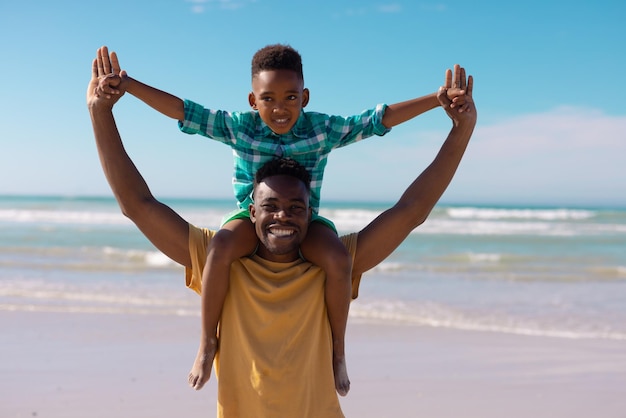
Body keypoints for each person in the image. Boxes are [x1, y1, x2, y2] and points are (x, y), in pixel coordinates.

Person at [89, 49, 476, 417]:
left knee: (336, 256)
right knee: (223, 244)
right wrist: (111, 102)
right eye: (271, 208)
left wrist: (450, 116)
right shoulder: (220, 261)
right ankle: (206, 343)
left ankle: (338, 352)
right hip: (235, 241)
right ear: (253, 210)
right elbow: (140, 198)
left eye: (295, 209)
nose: (282, 218)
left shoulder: (326, 266)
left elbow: (405, 198)